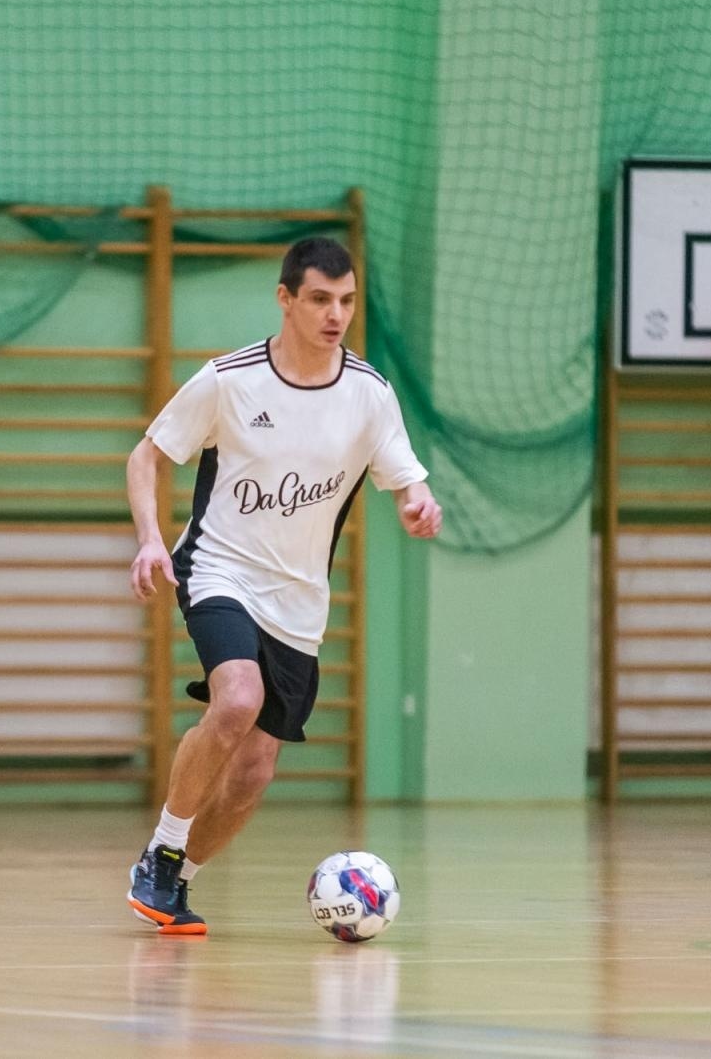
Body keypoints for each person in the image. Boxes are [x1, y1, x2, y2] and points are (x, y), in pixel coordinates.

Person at [124, 237, 440, 934]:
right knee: (238, 698)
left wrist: (419, 503)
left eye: (347, 301)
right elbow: (147, 455)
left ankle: (174, 880)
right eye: (321, 299)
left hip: (299, 603)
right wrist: (151, 537)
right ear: (286, 300)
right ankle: (163, 846)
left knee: (253, 774)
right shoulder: (229, 380)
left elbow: (405, 477)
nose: (336, 314)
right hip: (219, 569)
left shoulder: (369, 394)